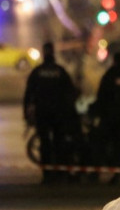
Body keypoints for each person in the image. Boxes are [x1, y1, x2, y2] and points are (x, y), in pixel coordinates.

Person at [23, 42, 79, 179]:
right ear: (53, 53)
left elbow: (28, 94)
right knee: (60, 142)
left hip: (42, 113)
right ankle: (60, 172)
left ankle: (47, 175)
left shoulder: (37, 72)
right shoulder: (60, 71)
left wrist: (26, 113)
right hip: (59, 113)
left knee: (45, 143)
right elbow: (71, 91)